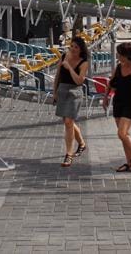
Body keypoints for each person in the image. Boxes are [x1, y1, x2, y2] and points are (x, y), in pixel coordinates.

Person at [102, 41, 131, 172]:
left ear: (125, 55)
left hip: (130, 104)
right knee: (124, 135)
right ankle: (128, 162)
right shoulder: (119, 67)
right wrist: (105, 97)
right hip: (118, 103)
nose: (117, 56)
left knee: (121, 133)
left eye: (119, 54)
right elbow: (111, 83)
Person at [53, 36, 89, 168]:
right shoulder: (64, 56)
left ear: (81, 49)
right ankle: (82, 144)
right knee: (68, 121)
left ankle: (68, 154)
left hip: (75, 92)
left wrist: (69, 67)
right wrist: (54, 91)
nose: (73, 49)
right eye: (72, 46)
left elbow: (79, 80)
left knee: (68, 122)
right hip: (62, 90)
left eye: (76, 47)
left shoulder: (84, 62)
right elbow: (57, 75)